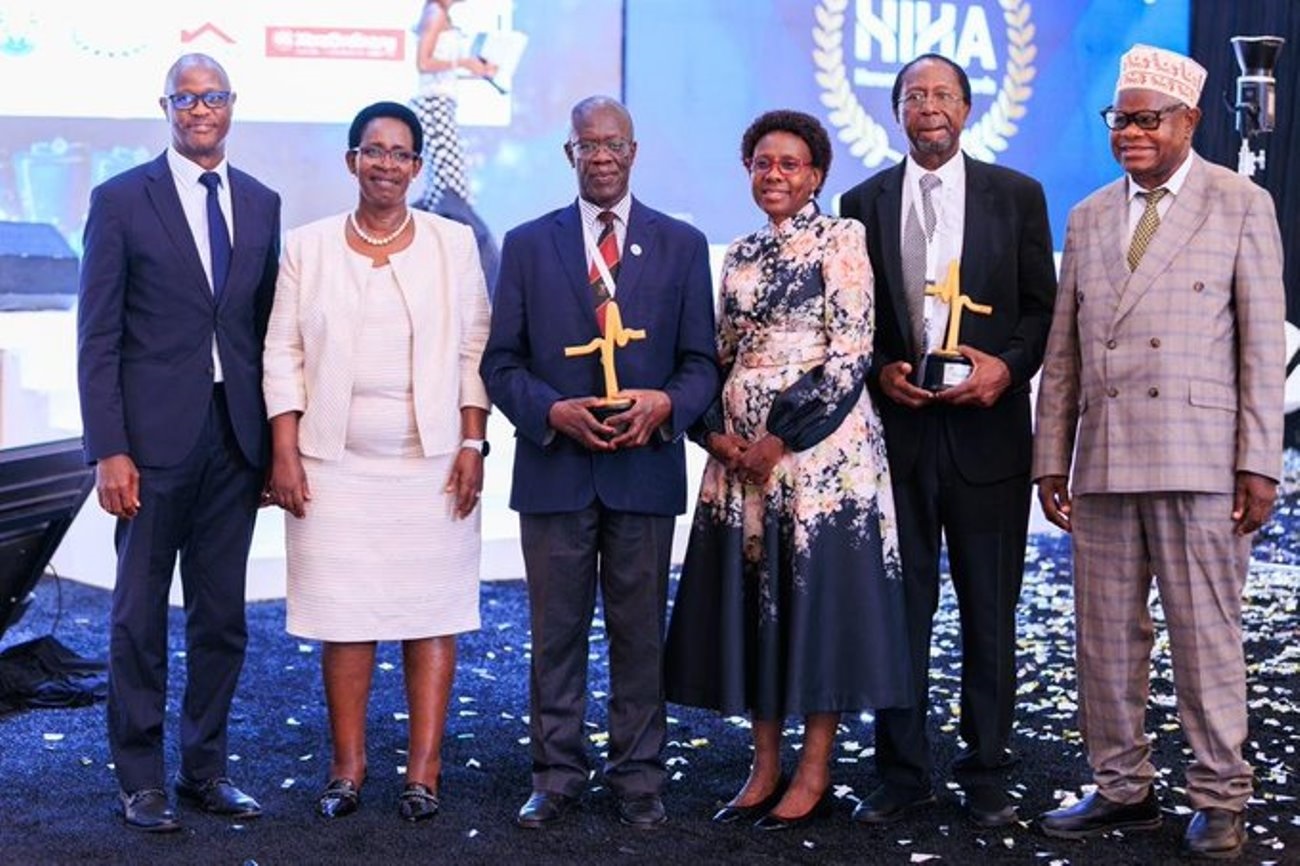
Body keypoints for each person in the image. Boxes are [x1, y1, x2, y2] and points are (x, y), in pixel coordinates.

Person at [1034, 45, 1286, 860]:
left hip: (1200, 457)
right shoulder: (1088, 215)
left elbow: (1258, 349)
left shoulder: (1240, 202)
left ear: (1190, 122)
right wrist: (1050, 456)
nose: (1131, 133)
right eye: (1120, 118)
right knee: (1104, 638)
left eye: (1148, 119)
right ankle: (1122, 788)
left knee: (1204, 633)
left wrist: (1258, 461)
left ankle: (1220, 796)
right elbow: (1064, 354)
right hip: (1104, 460)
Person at [663, 110, 912, 831]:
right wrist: (714, 436)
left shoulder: (843, 238)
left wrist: (778, 438)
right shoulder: (736, 253)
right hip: (740, 460)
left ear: (817, 175)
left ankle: (814, 767)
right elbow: (719, 354)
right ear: (748, 172)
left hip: (821, 455)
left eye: (791, 164)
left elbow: (851, 352)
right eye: (763, 163)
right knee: (755, 601)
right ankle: (763, 763)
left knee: (815, 600)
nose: (775, 175)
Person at [479, 95, 719, 830]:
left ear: (634, 151)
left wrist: (666, 407)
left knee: (639, 632)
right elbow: (501, 363)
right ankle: (555, 774)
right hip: (555, 470)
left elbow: (701, 363)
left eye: (614, 143)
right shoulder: (526, 244)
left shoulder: (681, 244)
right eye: (588, 145)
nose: (602, 156)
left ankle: (638, 776)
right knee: (554, 634)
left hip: (643, 470)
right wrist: (550, 411)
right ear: (569, 155)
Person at [838, 53, 1057, 828]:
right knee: (899, 614)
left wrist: (1007, 369)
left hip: (989, 436)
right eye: (912, 96)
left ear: (967, 108)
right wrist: (876, 370)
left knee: (989, 614)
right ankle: (901, 774)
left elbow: (1041, 311)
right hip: (897, 441)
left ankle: (988, 772)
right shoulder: (859, 202)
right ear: (896, 111)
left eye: (942, 95)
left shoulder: (1017, 196)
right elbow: (850, 322)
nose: (928, 107)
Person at [262, 101, 491, 822]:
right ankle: (348, 767)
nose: (386, 163)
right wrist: (286, 453)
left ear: (418, 166)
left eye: (400, 153)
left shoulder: (454, 244)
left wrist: (472, 442)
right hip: (331, 464)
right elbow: (282, 353)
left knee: (432, 612)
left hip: (432, 464)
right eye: (373, 150)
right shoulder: (308, 245)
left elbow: (473, 350)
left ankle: (424, 771)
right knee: (346, 615)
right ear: (351, 160)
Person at [76, 53, 280, 832]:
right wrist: (109, 448)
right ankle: (140, 778)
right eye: (187, 98)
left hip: (235, 441)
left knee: (221, 618)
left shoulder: (262, 203)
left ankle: (205, 770)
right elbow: (97, 335)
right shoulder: (122, 199)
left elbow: (262, 330)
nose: (201, 109)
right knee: (138, 618)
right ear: (165, 106)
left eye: (215, 96)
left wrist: (275, 443)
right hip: (151, 445)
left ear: (232, 106)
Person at [411, 0, 501, 294]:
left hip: (441, 104)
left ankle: (433, 259)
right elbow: (423, 63)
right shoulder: (436, 12)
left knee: (443, 190)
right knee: (452, 190)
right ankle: (474, 270)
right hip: (432, 105)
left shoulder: (443, 15)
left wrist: (476, 68)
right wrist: (463, 62)